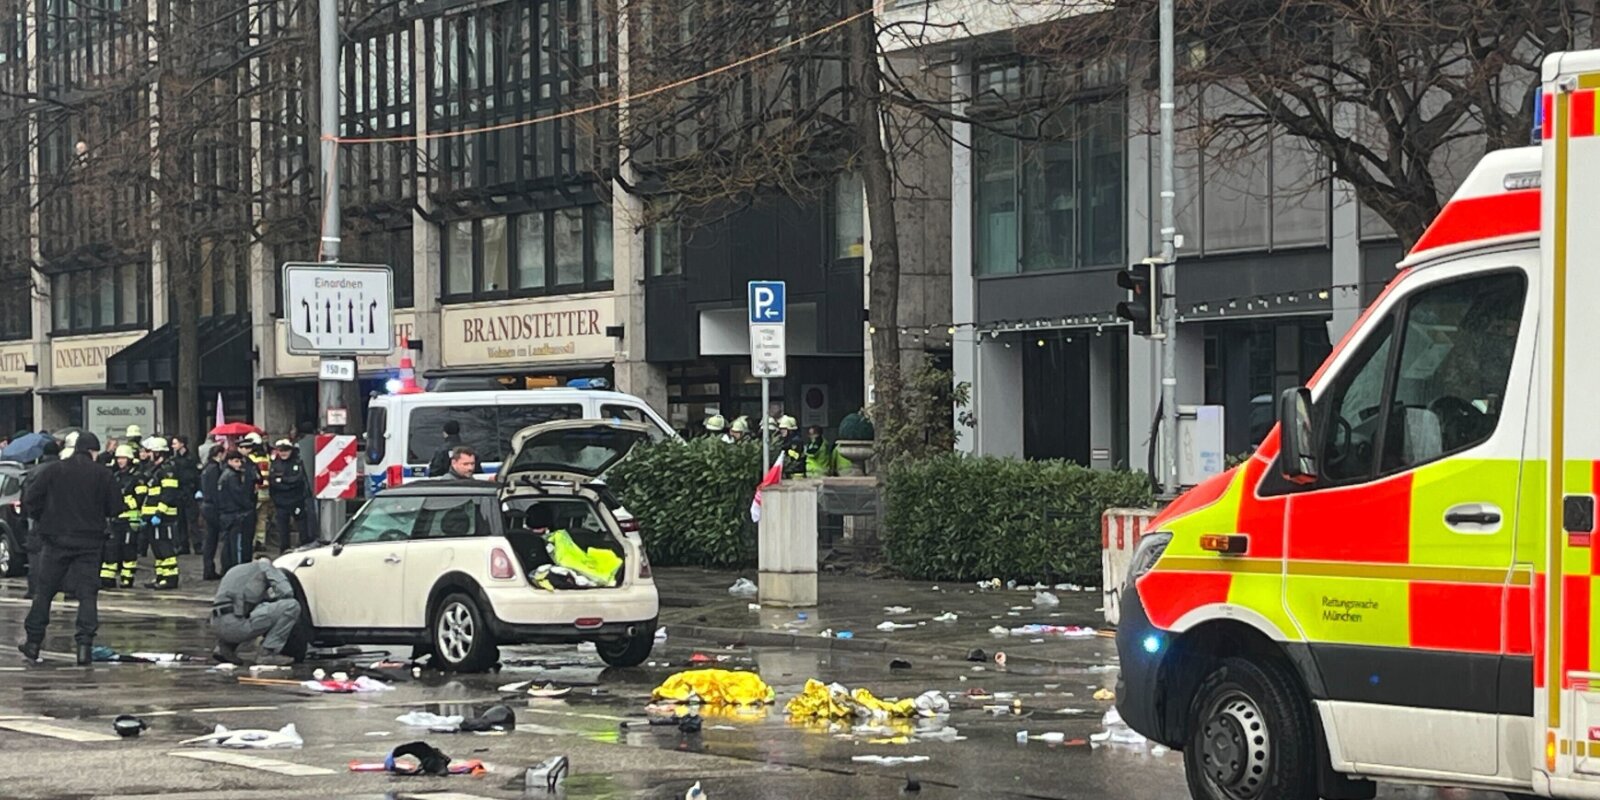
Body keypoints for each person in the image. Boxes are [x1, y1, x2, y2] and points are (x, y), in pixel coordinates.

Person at [18, 432, 123, 666]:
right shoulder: (103, 474)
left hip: (56, 540)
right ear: (93, 451)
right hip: (90, 543)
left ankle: (33, 643)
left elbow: (31, 500)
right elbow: (116, 506)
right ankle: (84, 647)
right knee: (87, 595)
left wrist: (44, 520)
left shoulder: (54, 470)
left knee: (44, 592)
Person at [210, 558, 302, 667]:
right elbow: (287, 592)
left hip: (215, 625)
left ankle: (224, 648)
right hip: (236, 628)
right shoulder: (265, 566)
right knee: (292, 605)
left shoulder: (235, 570)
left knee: (242, 609)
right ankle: (267, 653)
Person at [19, 438, 61, 599]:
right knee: (61, 555)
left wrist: (26, 516)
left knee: (36, 556)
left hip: (37, 519)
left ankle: (34, 590)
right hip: (61, 519)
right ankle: (64, 588)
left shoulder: (33, 472)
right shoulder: (63, 470)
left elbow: (26, 497)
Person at [137, 436, 181, 590]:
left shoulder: (167, 470)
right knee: (156, 549)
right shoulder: (153, 469)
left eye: (151, 452)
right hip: (152, 516)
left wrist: (159, 513)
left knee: (165, 548)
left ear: (159, 452)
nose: (148, 454)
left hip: (164, 516)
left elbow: (168, 493)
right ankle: (161, 576)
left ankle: (170, 579)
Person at [101, 446, 143, 589]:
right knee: (111, 550)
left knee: (128, 551)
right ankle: (107, 579)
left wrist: (122, 502)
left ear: (130, 459)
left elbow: (140, 499)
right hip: (115, 520)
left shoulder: (137, 477)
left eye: (123, 458)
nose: (120, 461)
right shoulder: (116, 476)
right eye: (119, 458)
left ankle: (127, 578)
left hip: (130, 521)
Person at [214, 450, 257, 573]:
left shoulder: (225, 474)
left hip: (227, 514)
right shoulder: (231, 476)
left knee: (228, 544)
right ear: (229, 461)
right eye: (236, 461)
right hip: (234, 514)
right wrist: (248, 506)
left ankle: (228, 568)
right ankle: (237, 570)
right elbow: (238, 495)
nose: (239, 464)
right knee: (236, 546)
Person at [268, 439, 309, 554]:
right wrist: (285, 483)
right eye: (281, 450)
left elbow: (298, 480)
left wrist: (282, 481)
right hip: (280, 501)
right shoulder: (275, 463)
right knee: (282, 529)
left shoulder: (297, 462)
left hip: (296, 500)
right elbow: (273, 482)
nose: (283, 453)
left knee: (302, 526)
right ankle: (284, 549)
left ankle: (304, 547)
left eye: (286, 450)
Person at [239, 433, 271, 555]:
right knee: (262, 518)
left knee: (252, 519)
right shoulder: (266, 456)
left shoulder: (251, 459)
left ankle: (252, 542)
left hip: (256, 491)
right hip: (266, 491)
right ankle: (261, 541)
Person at [199, 445, 227, 580]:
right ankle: (212, 569)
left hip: (206, 505)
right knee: (214, 539)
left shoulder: (206, 467)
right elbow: (216, 491)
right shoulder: (215, 469)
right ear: (220, 454)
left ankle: (208, 569)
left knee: (209, 539)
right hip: (213, 507)